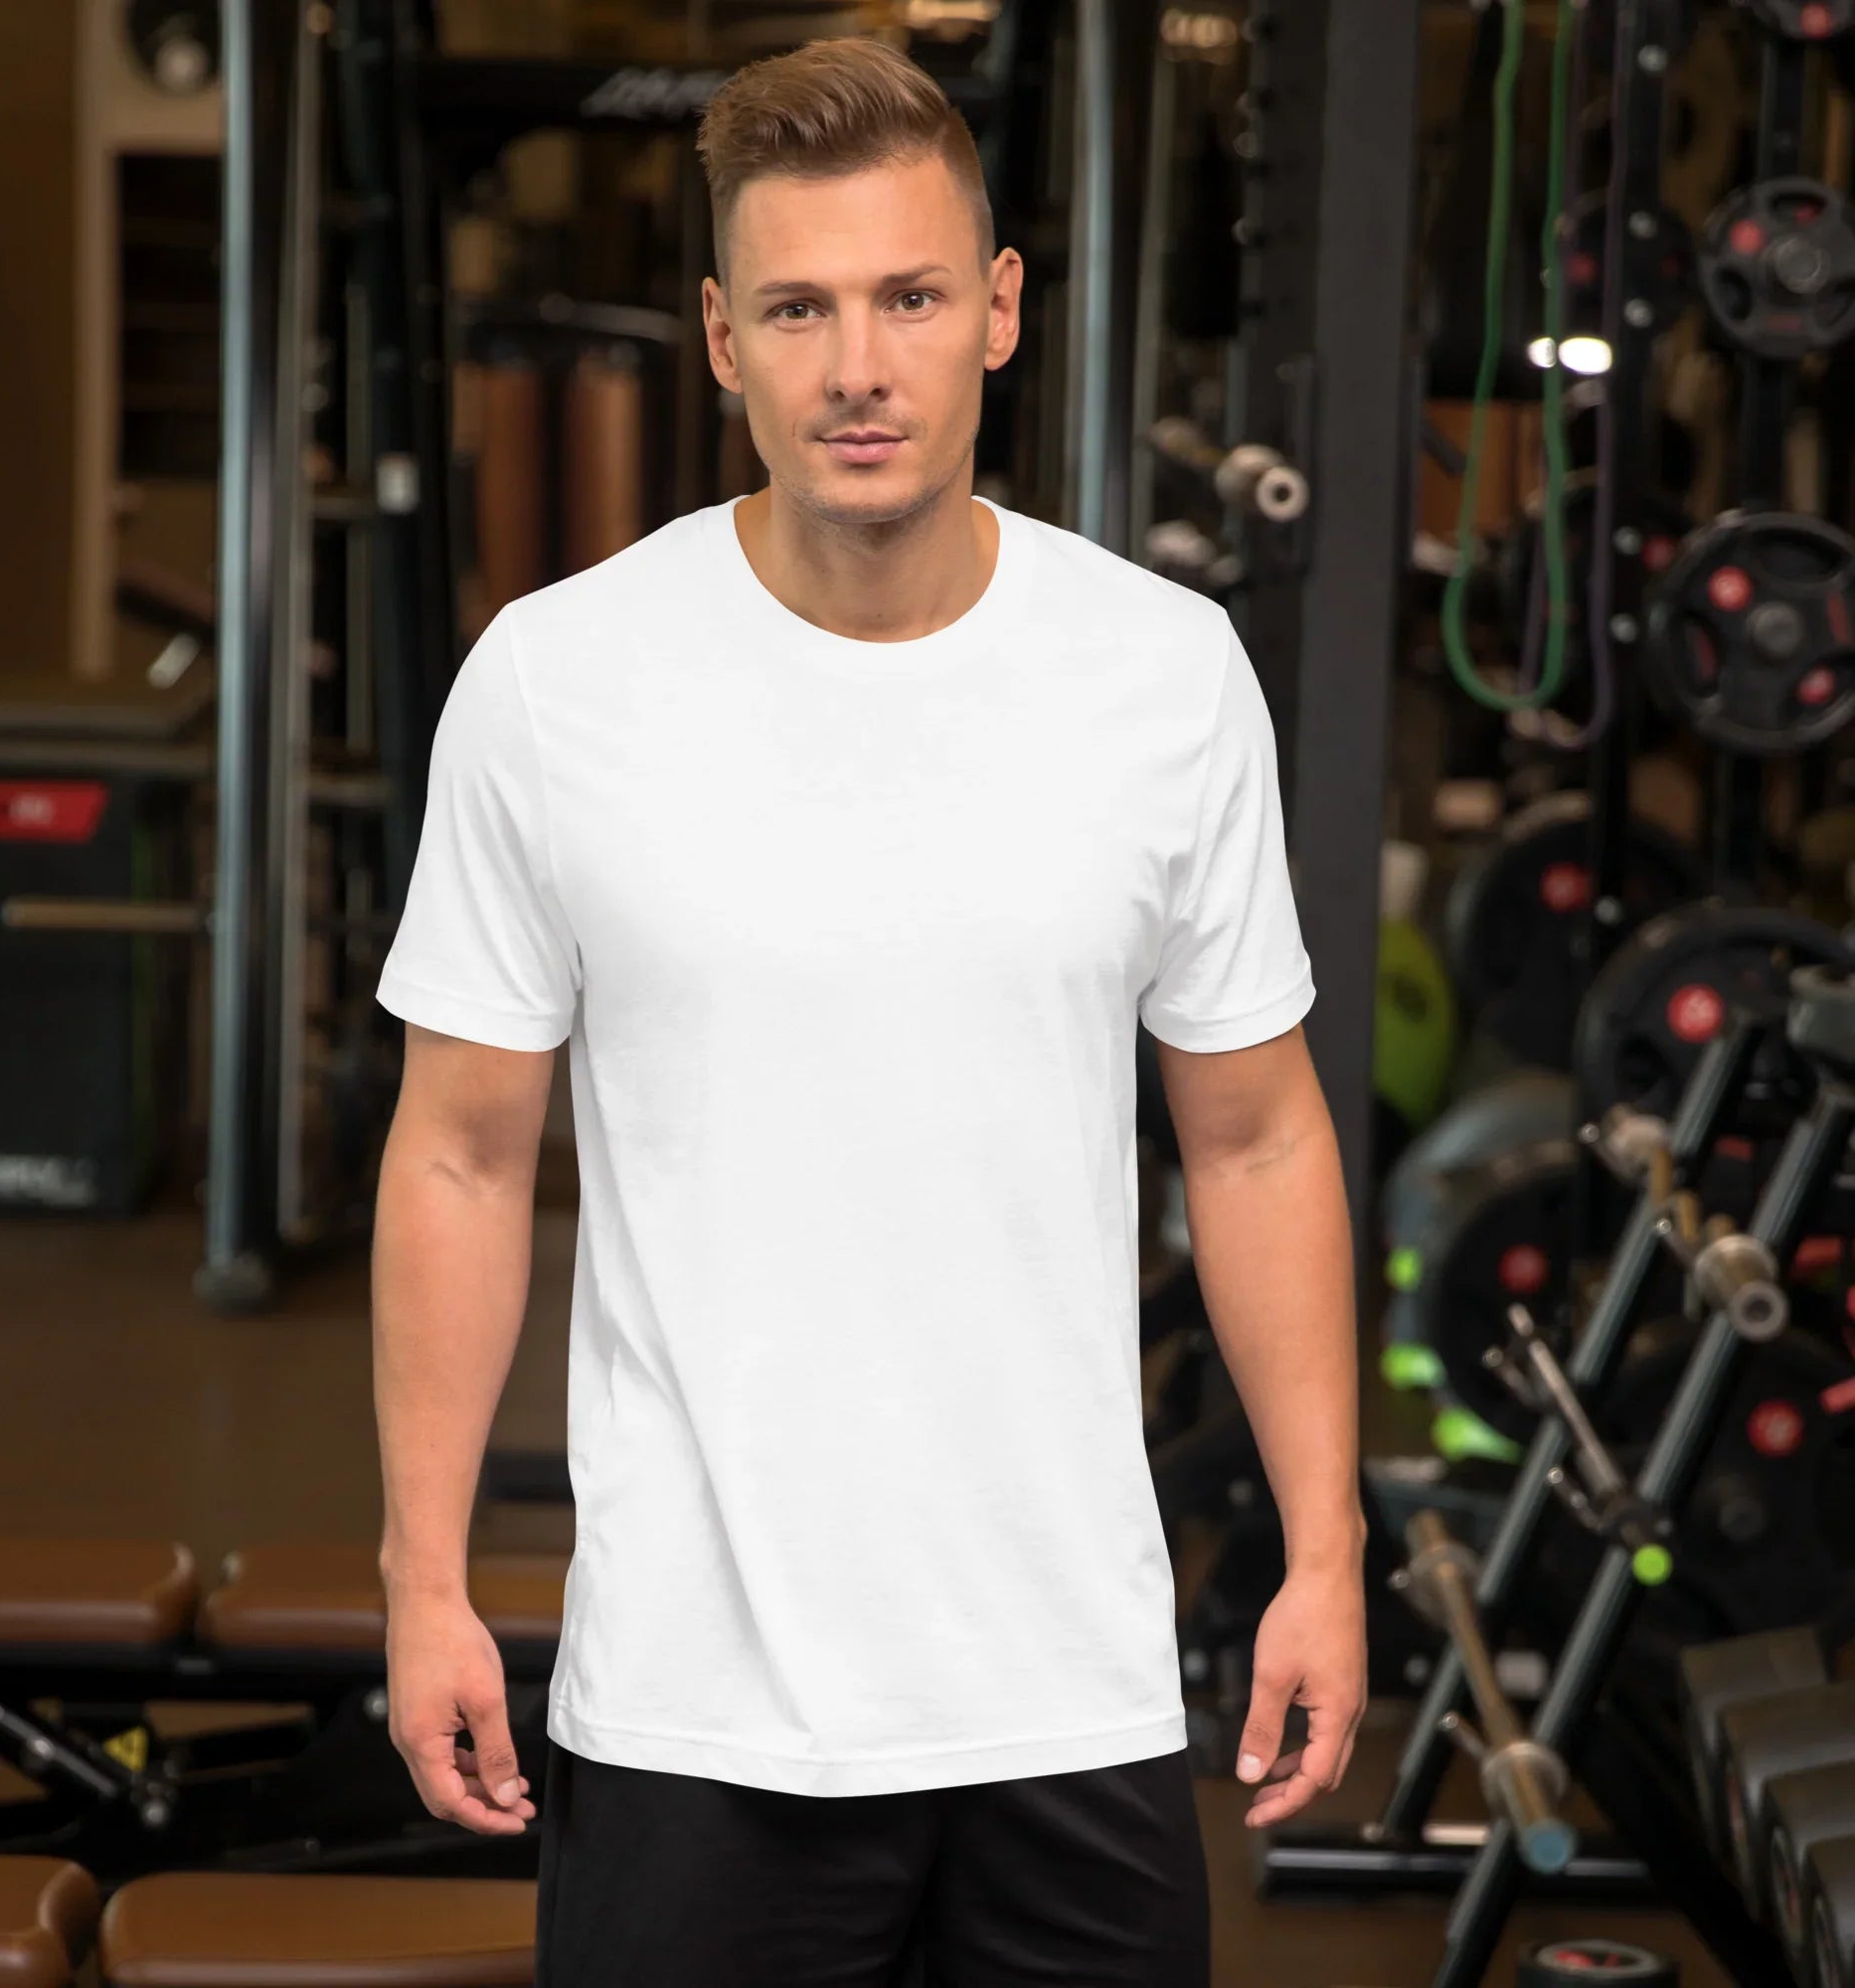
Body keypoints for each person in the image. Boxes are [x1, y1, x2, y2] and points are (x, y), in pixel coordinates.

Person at [371, 33, 1365, 1988]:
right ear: (722, 336)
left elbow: (1255, 1130)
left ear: (996, 312)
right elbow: (463, 1152)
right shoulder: (557, 685)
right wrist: (423, 1579)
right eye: (802, 308)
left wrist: (1319, 1555)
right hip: (693, 1708)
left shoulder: (1163, 677)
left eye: (909, 296)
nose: (858, 367)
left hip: (1062, 1696)